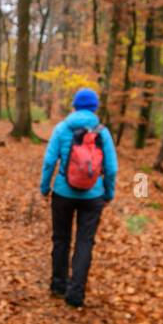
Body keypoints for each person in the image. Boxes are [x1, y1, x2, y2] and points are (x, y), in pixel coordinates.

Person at [39, 87, 118, 308]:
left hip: (63, 192)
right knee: (85, 242)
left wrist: (45, 187)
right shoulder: (103, 132)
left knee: (61, 239)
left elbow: (49, 161)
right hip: (93, 196)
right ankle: (75, 295)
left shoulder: (62, 128)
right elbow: (111, 168)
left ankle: (58, 286)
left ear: (74, 105)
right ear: (95, 108)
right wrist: (108, 193)